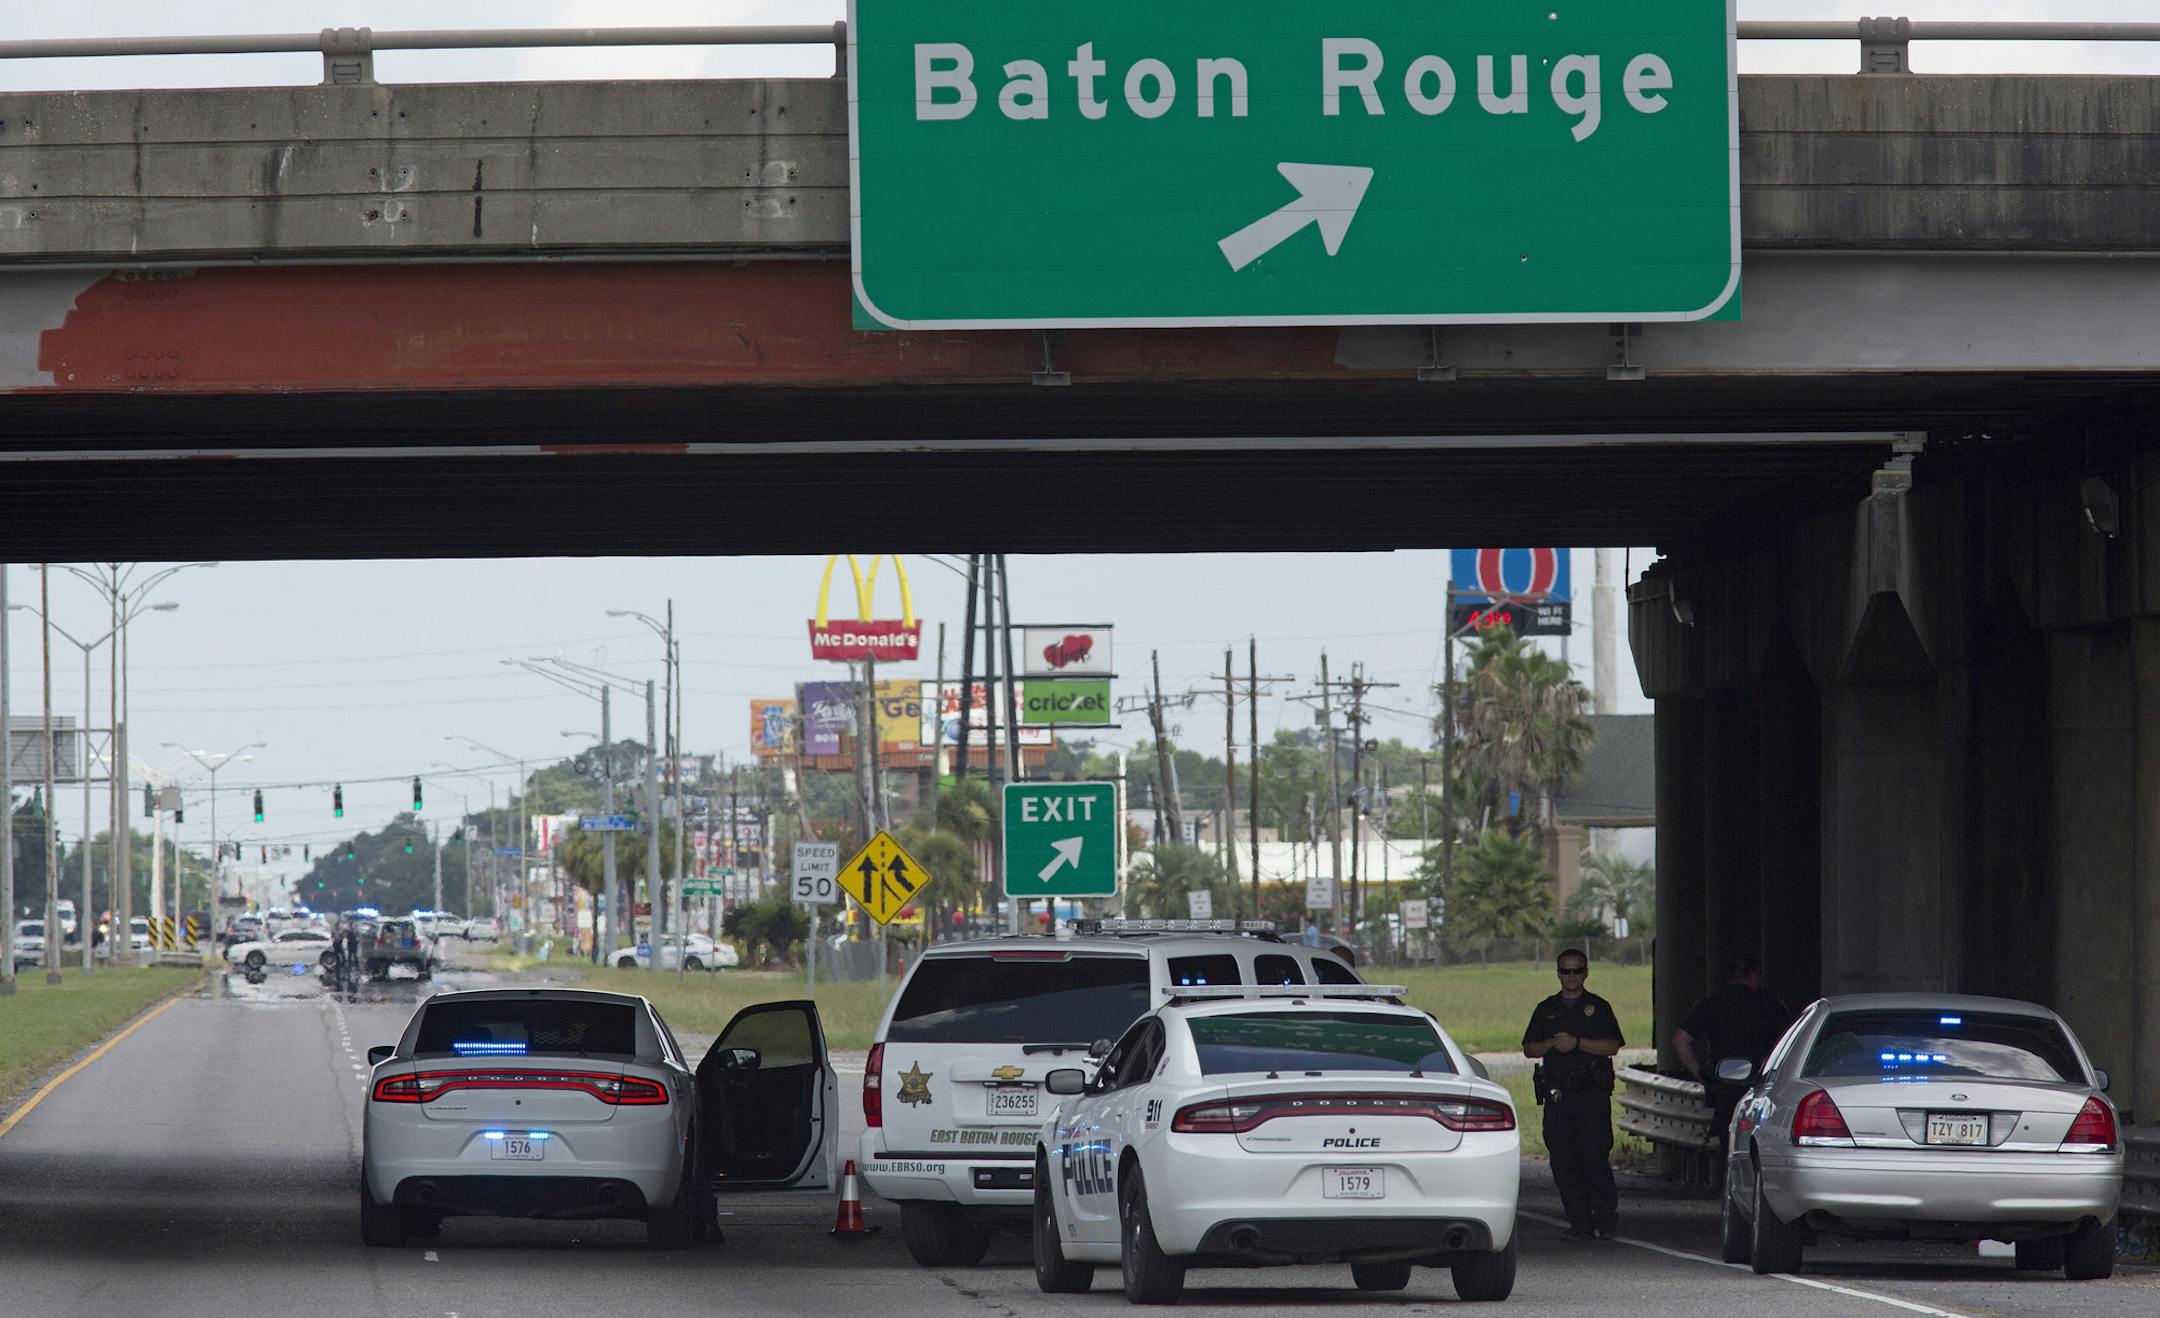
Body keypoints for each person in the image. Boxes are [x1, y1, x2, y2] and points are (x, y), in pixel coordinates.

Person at [1523, 948, 1625, 1240]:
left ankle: (1606, 1220)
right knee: (1563, 1160)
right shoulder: (1547, 1009)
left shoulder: (1598, 1007)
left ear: (1586, 972)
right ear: (1558, 973)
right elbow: (1529, 1048)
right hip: (1559, 1096)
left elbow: (1612, 1046)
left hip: (1591, 1095)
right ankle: (1579, 1222)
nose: (1571, 977)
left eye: (1577, 971)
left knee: (1594, 1157)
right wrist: (1551, 1045)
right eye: (1566, 971)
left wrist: (1577, 1043)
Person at [1673, 953, 1793, 1157]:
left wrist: (1701, 1074)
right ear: (1753, 976)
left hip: (1722, 1086)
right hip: (1761, 1085)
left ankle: (1727, 1181)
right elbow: (1791, 1040)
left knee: (1728, 1143)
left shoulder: (1710, 1004)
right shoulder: (1770, 1004)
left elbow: (1679, 1040)